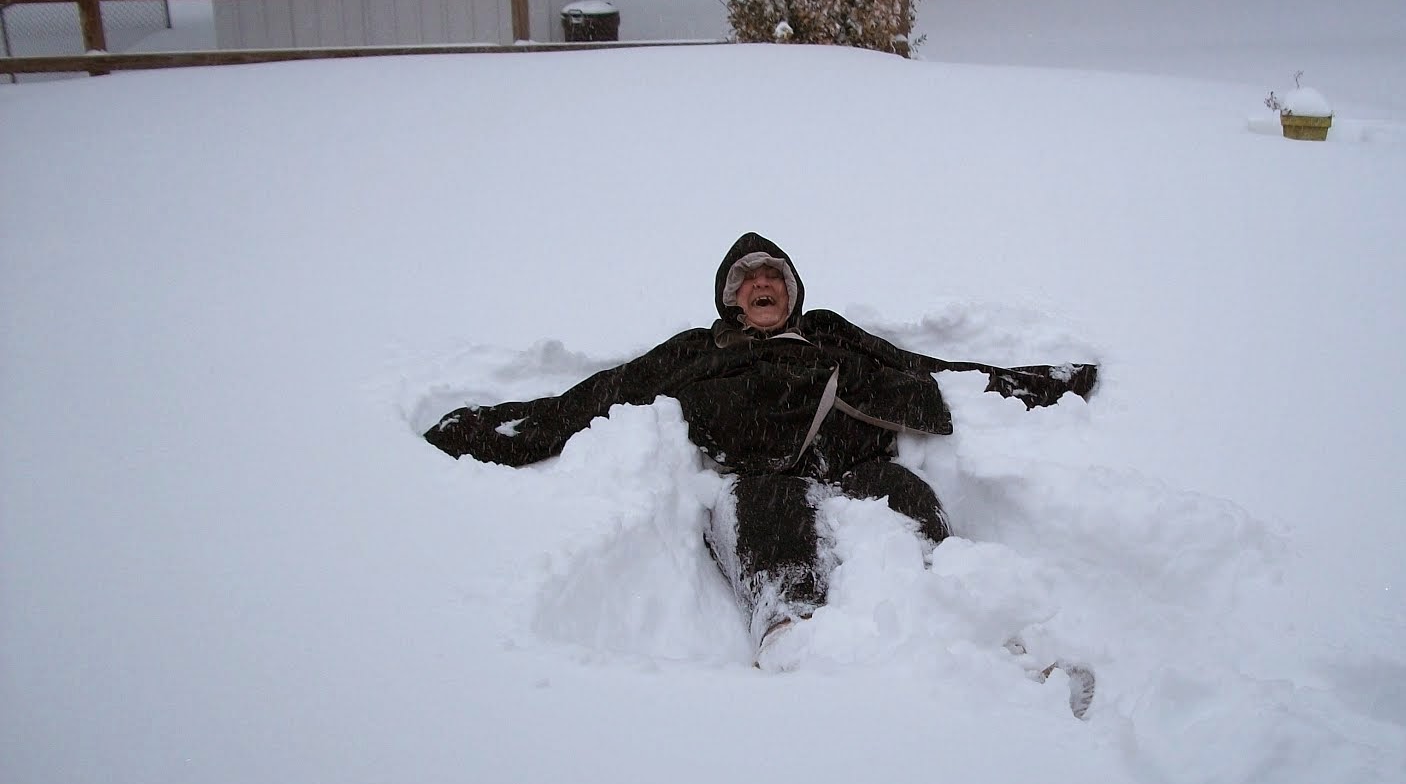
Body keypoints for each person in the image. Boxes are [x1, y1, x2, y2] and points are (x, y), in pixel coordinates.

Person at [424, 232, 1097, 665]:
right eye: (746, 279)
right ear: (731, 300)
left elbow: (924, 368)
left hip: (860, 469)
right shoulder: (699, 349)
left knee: (908, 495)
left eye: (771, 272)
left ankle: (981, 631)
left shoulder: (827, 332)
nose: (761, 282)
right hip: (757, 481)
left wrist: (1029, 386)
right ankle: (790, 642)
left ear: (792, 289)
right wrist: (498, 432)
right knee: (768, 503)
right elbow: (605, 393)